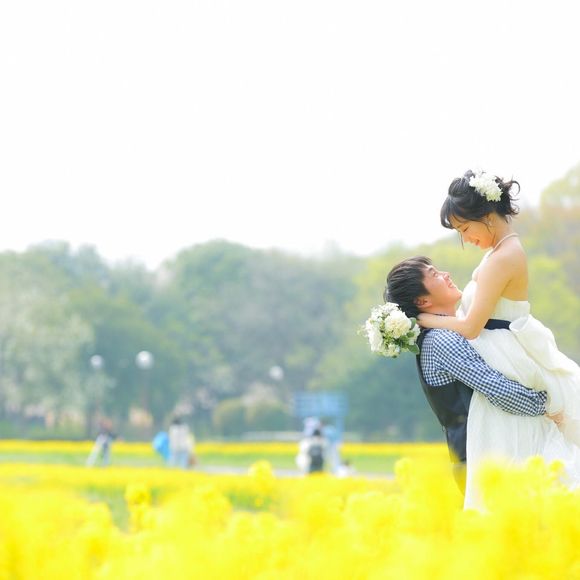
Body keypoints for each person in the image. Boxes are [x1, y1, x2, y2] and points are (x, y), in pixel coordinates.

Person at [414, 169, 580, 505]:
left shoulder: (503, 257)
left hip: (509, 356)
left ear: (487, 217)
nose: (465, 239)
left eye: (465, 229)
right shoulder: (500, 252)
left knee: (519, 449)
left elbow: (471, 327)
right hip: (503, 350)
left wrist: (423, 319)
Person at [385, 256, 566, 500]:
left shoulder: (450, 329)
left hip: (491, 455)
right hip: (480, 459)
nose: (446, 274)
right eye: (434, 274)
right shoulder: (441, 340)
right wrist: (546, 405)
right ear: (423, 301)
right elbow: (495, 387)